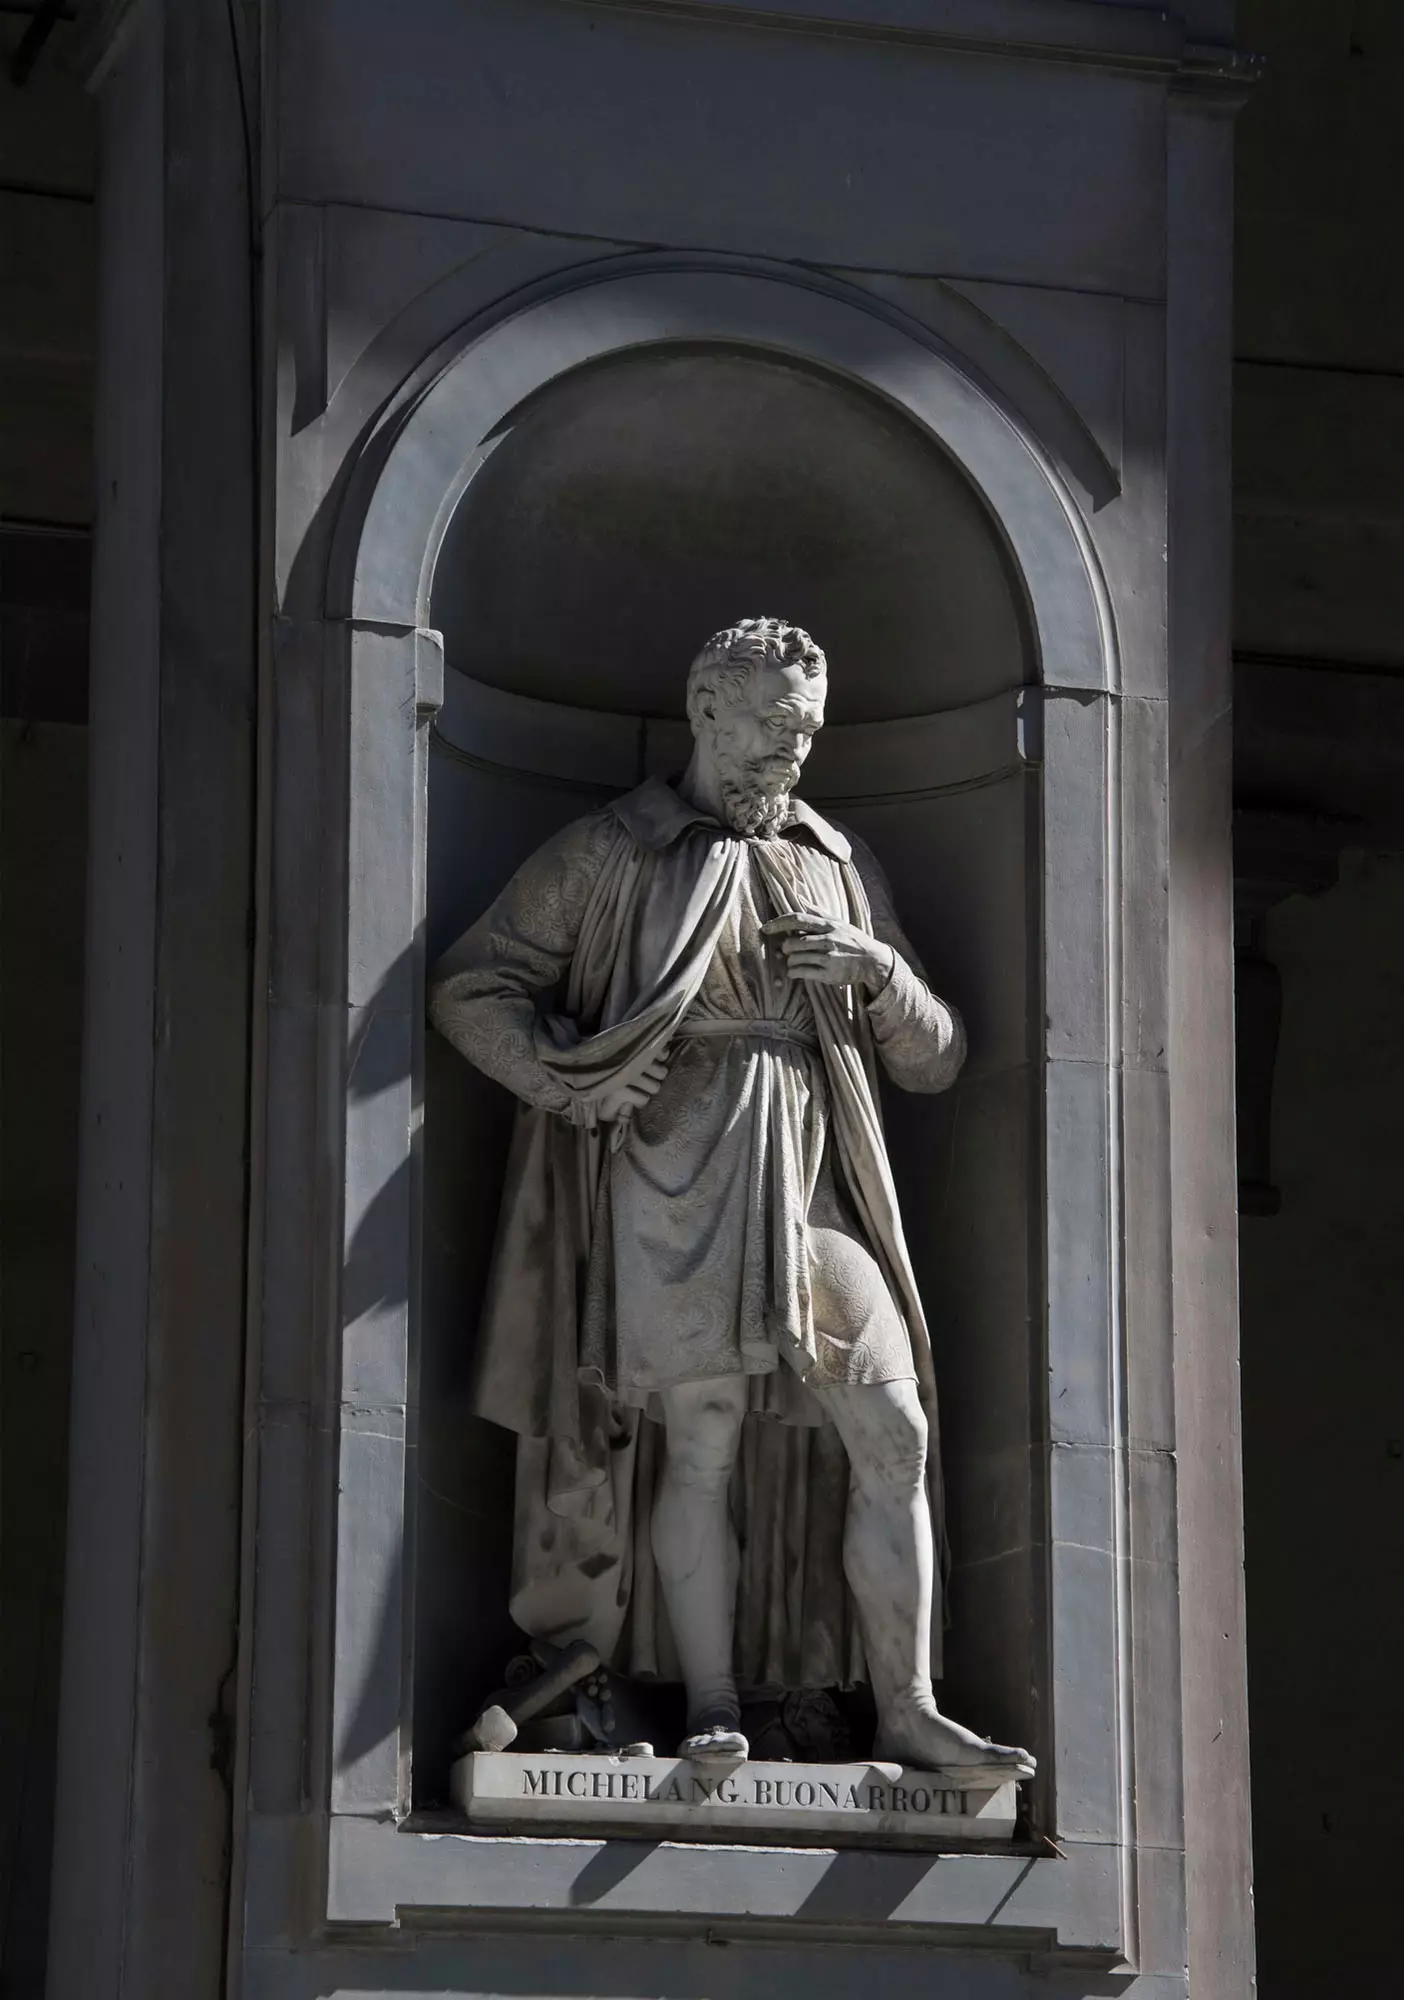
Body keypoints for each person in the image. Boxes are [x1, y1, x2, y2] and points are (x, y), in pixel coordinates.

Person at [430, 617, 1033, 1777]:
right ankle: (714, 1703)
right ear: (705, 706)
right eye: (766, 724)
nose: (788, 752)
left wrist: (883, 973)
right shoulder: (616, 849)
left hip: (812, 1177)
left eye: (804, 730)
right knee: (699, 1443)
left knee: (895, 1426)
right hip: (672, 1172)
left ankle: (904, 1704)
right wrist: (573, 1075)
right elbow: (473, 989)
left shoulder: (835, 857)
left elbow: (936, 1058)